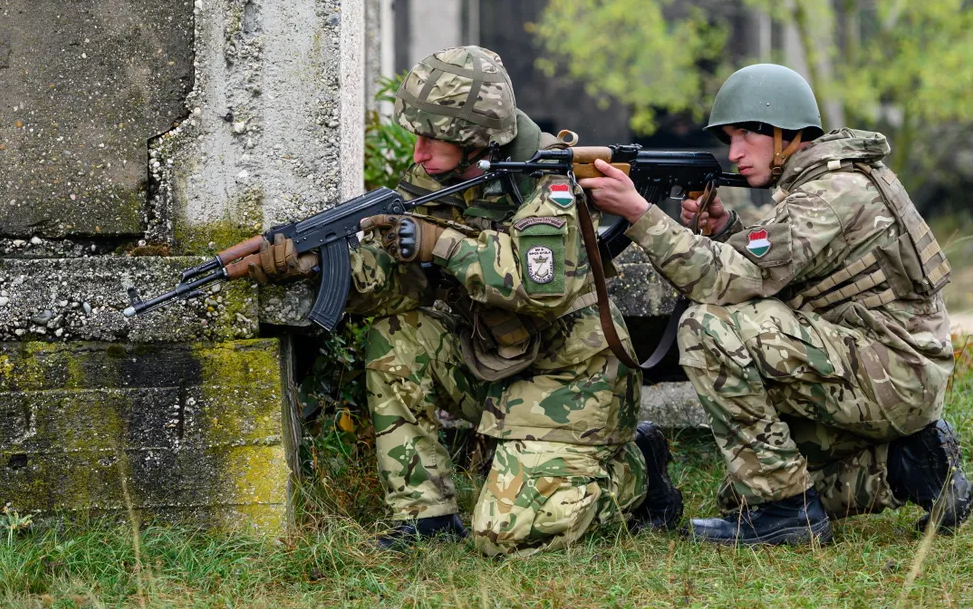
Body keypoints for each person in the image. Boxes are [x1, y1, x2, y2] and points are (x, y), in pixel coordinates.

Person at [252, 45, 683, 556]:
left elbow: (538, 289)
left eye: (434, 138)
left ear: (478, 141)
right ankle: (425, 515)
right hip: (493, 362)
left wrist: (442, 243)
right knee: (396, 336)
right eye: (419, 134)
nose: (418, 153)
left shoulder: (548, 179)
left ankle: (634, 467)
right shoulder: (441, 175)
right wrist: (317, 267)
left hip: (574, 384)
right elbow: (409, 284)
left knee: (504, 537)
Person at [580, 63, 973, 546]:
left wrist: (640, 215)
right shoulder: (830, 178)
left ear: (787, 132)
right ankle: (910, 468)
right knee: (739, 492)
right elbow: (781, 272)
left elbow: (725, 281)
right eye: (730, 138)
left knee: (708, 326)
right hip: (892, 369)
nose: (735, 153)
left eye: (746, 134)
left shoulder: (830, 191)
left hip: (891, 374)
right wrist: (726, 231)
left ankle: (786, 513)